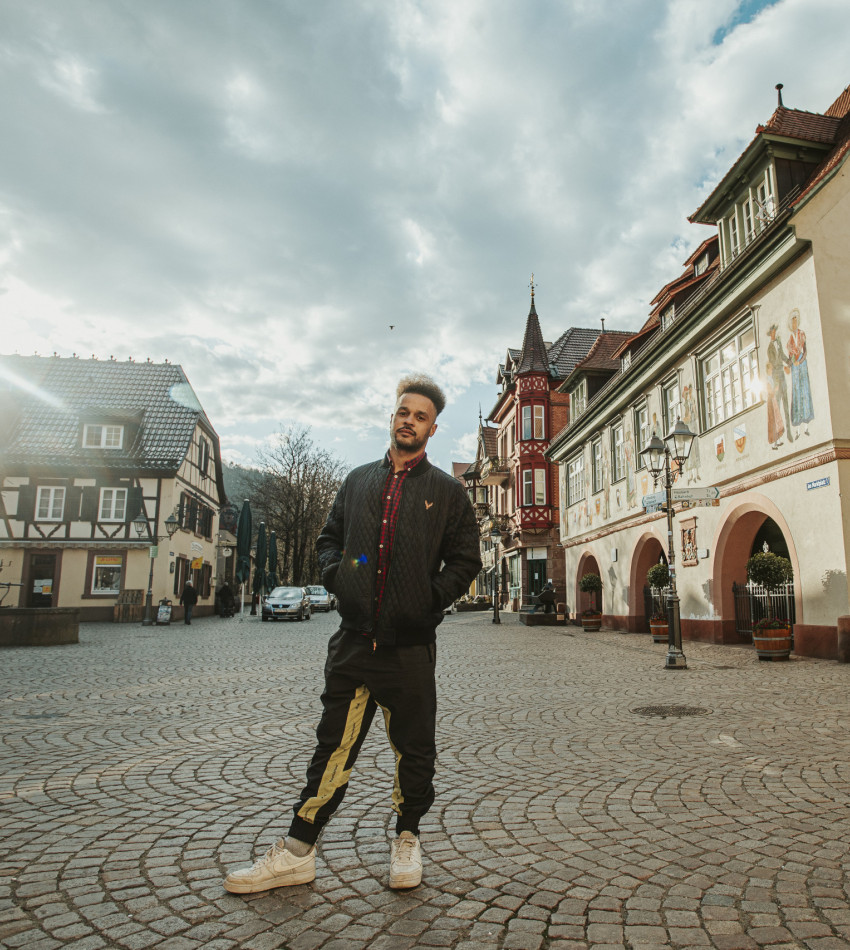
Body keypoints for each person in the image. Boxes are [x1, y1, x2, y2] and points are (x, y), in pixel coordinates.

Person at [223, 374, 481, 895]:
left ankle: (406, 838)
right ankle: (297, 850)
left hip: (409, 648)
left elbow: (465, 561)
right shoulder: (358, 480)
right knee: (331, 748)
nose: (409, 420)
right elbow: (330, 539)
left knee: (415, 751)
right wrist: (340, 575)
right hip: (353, 642)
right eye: (403, 411)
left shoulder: (447, 493)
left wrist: (427, 600)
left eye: (421, 415)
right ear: (393, 417)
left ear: (433, 428)